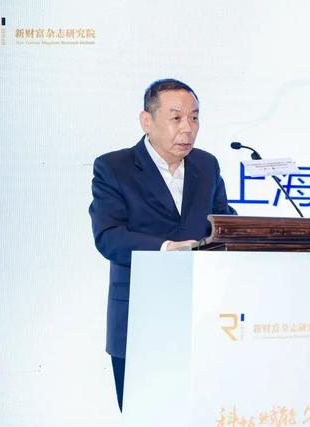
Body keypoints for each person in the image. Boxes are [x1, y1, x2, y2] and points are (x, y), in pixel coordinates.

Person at [88, 78, 237, 411]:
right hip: (139, 321)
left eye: (194, 117)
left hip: (203, 320)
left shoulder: (207, 165)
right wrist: (168, 250)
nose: (188, 128)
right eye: (176, 118)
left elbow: (223, 222)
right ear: (147, 121)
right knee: (146, 413)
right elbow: (109, 236)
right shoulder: (114, 167)